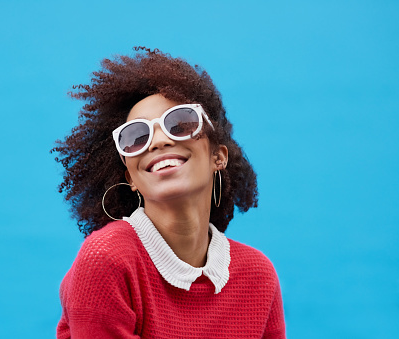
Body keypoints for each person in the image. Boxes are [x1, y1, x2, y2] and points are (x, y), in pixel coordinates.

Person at [52, 47, 286, 338]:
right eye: (136, 137)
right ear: (131, 178)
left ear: (218, 156)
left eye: (180, 123)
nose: (158, 141)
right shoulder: (108, 258)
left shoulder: (258, 275)